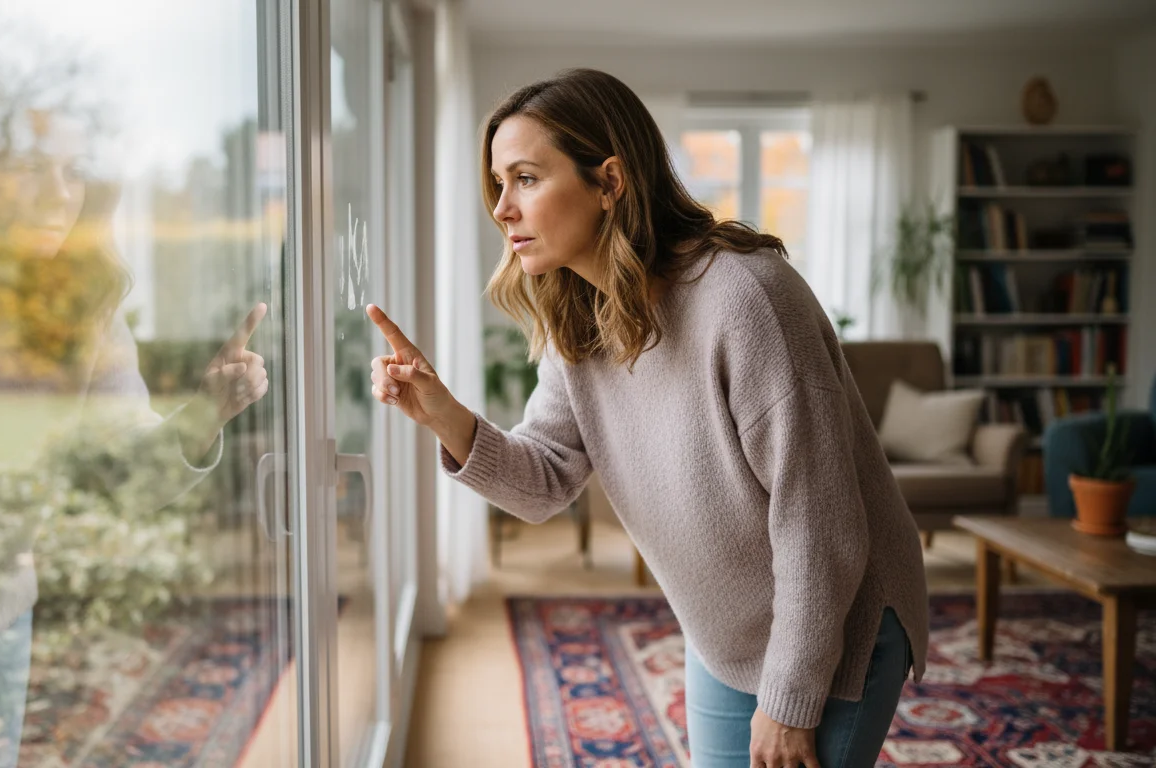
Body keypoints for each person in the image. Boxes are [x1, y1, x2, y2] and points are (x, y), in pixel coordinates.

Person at [367, 68, 929, 768]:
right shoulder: (583, 316)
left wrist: (788, 702)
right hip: (727, 628)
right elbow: (544, 483)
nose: (503, 209)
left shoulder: (748, 302)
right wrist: (443, 415)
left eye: (527, 179)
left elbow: (821, 525)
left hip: (837, 624)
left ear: (609, 182)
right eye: (498, 185)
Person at [0, 109, 270, 768]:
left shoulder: (93, 309)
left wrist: (204, 414)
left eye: (73, 172)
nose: (58, 194)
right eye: (29, 169)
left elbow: (122, 468)